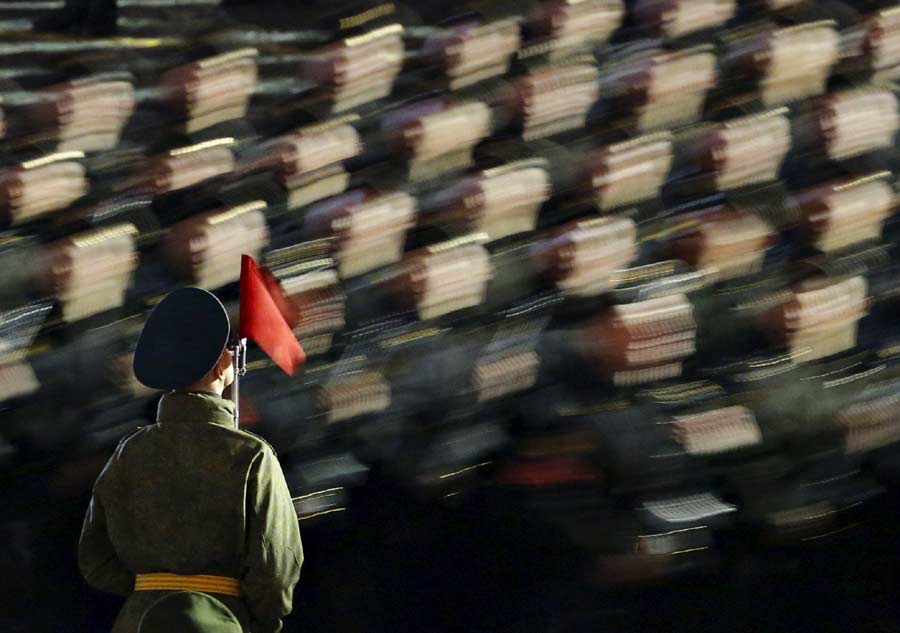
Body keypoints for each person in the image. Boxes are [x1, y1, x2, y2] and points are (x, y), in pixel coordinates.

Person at [78, 287, 303, 633]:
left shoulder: (129, 452)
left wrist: (154, 591)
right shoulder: (252, 456)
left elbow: (95, 557)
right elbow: (275, 567)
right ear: (221, 367)